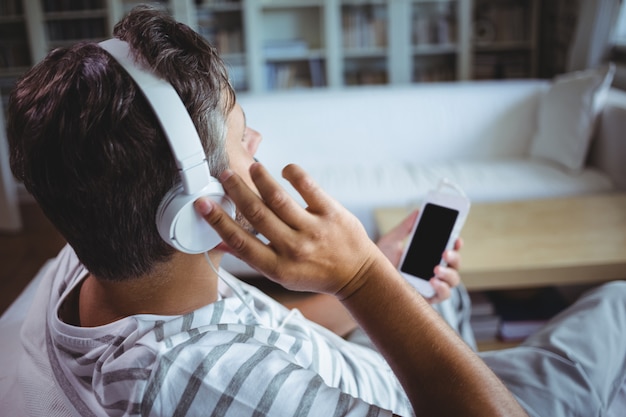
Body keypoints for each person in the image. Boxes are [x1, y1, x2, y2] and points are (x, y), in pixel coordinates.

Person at [7, 5, 624, 417]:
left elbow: (259, 342)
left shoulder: (95, 263)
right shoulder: (205, 385)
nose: (257, 147)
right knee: (618, 304)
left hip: (367, 363)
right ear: (193, 212)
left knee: (436, 291)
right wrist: (363, 278)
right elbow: (235, 369)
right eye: (241, 135)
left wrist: (375, 279)